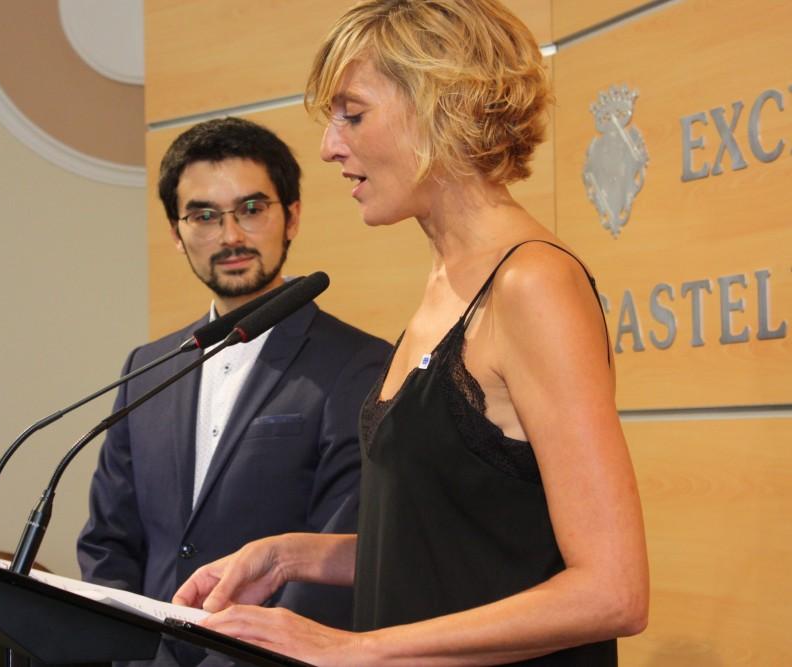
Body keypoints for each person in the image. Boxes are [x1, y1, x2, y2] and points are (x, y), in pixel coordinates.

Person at [172, 2, 650, 665]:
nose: (329, 147)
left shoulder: (533, 284)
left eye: (353, 115)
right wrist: (288, 556)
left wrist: (357, 648)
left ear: (440, 108)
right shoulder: (446, 282)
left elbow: (613, 591)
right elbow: (449, 545)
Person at [77, 117, 392, 664]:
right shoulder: (147, 369)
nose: (230, 237)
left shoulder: (360, 364)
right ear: (176, 233)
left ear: (292, 216)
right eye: (204, 216)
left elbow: (335, 556)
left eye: (251, 209)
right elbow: (109, 543)